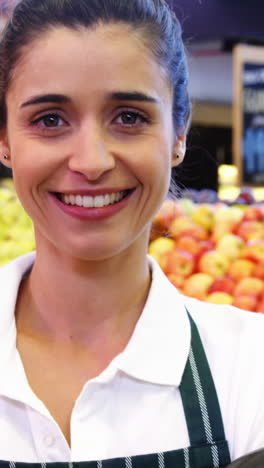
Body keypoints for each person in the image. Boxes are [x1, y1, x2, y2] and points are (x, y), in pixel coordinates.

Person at [0, 1, 264, 466]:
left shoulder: (250, 369)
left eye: (129, 117)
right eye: (50, 120)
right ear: (5, 140)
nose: (91, 161)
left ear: (178, 134)